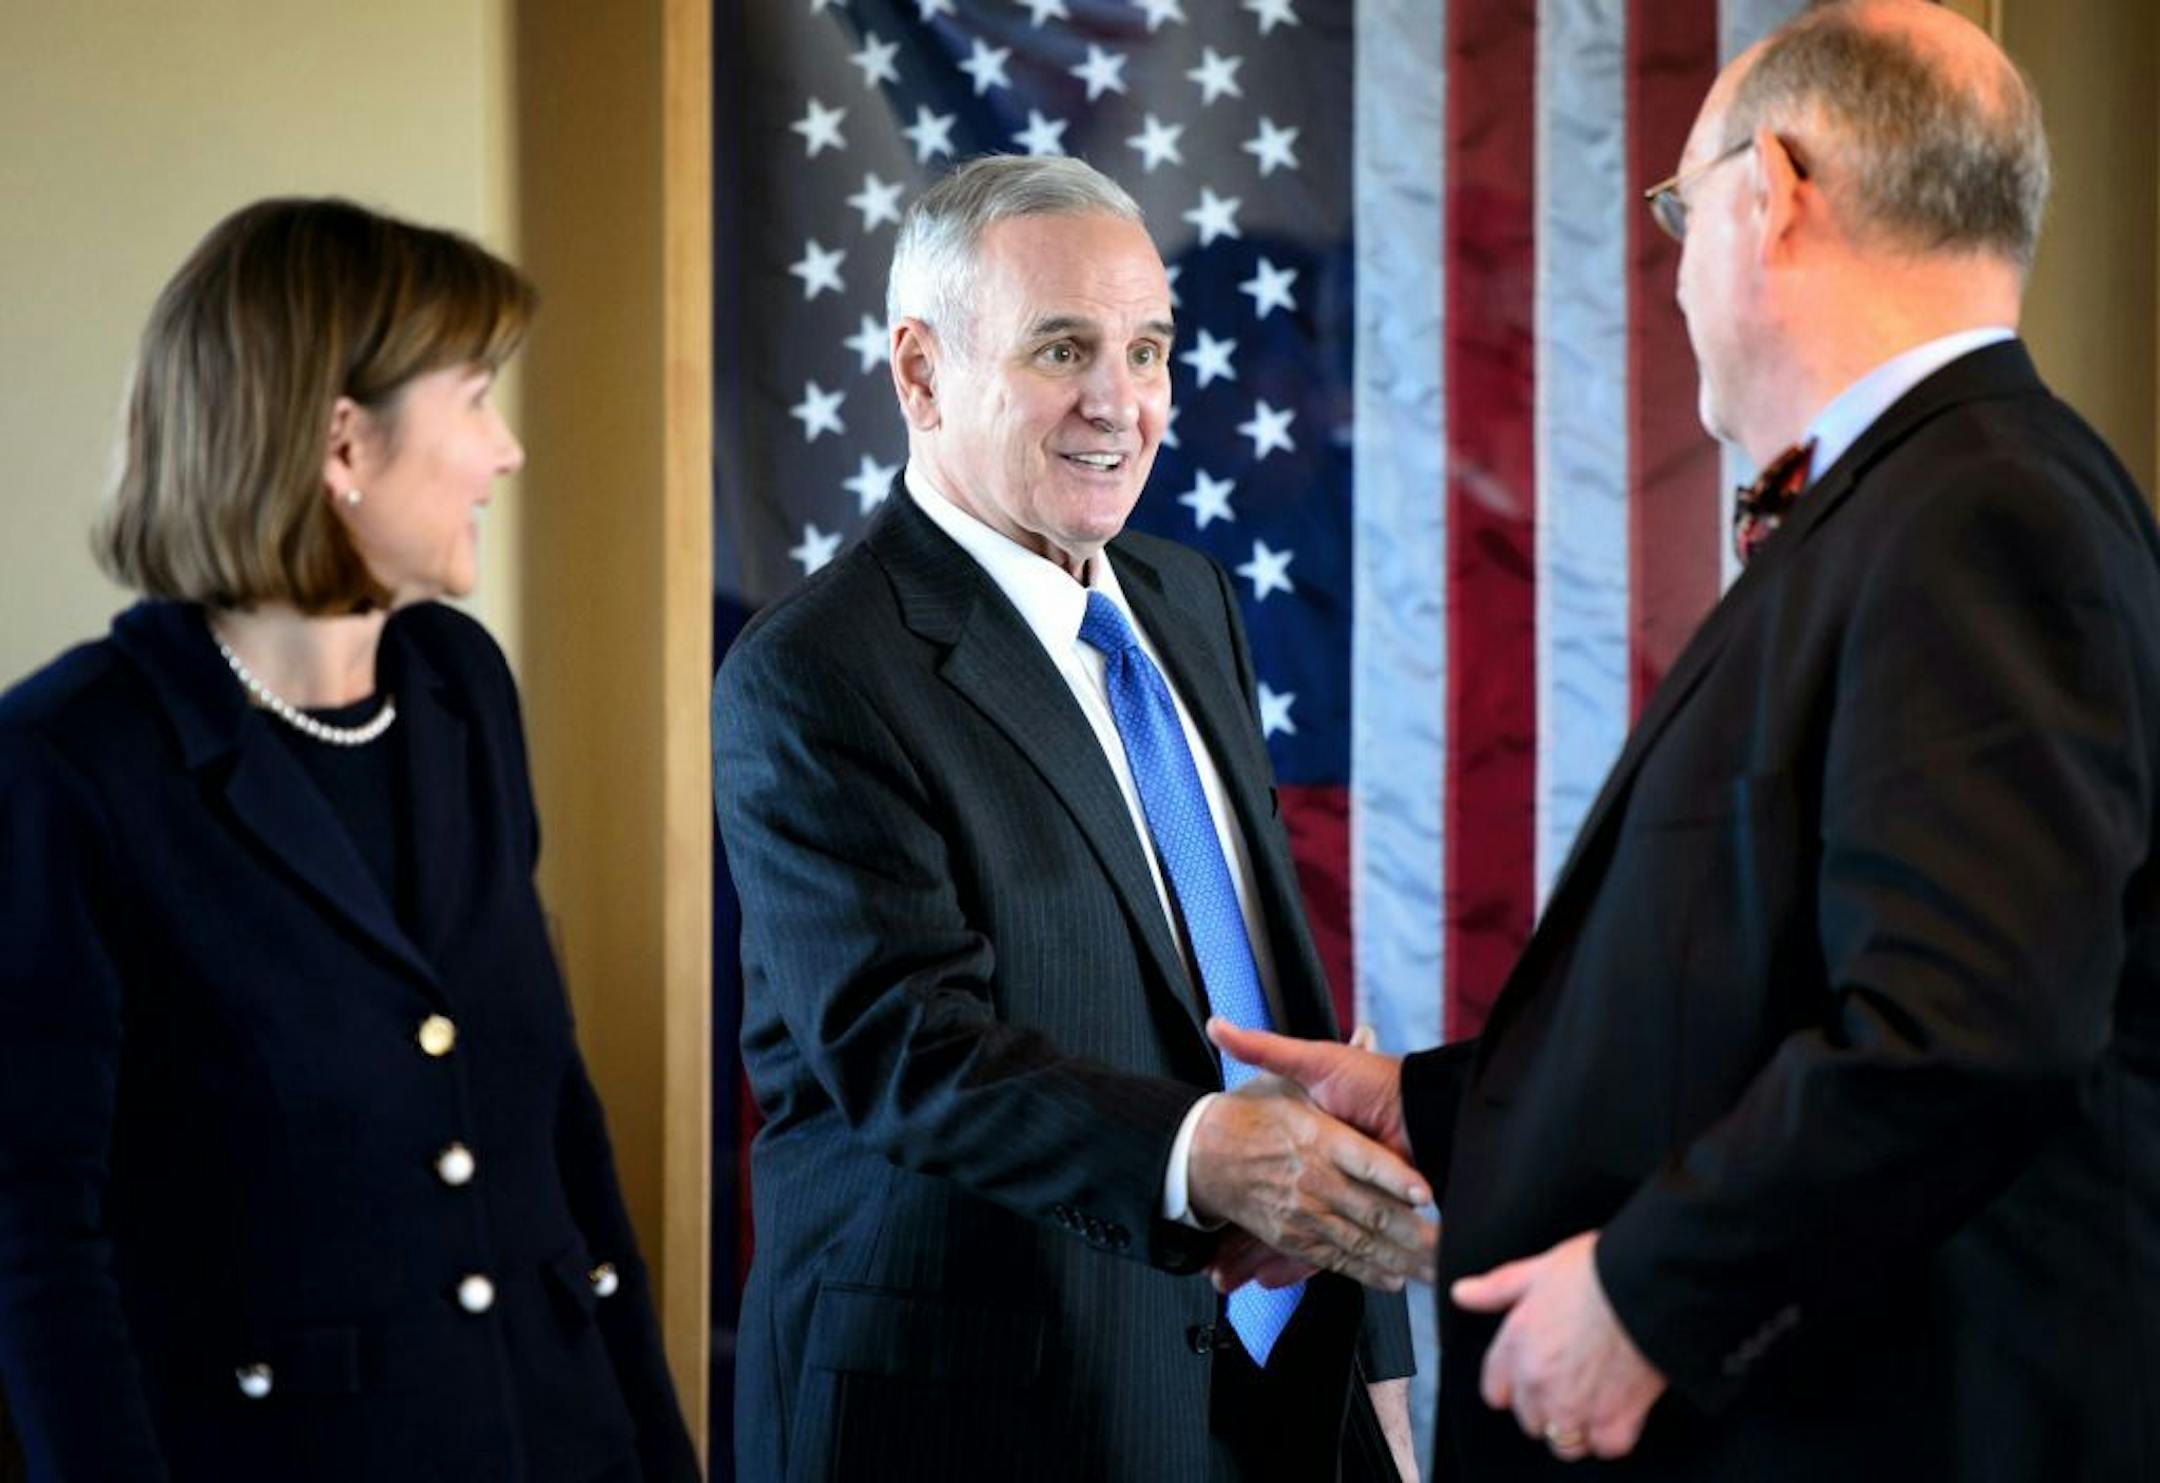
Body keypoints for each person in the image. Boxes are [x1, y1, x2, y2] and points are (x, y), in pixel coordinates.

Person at [1211, 2, 2160, 1478]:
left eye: (1679, 206)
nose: (1670, 266)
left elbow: (1966, 1025)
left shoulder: (1979, 511)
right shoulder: (1923, 499)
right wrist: (1436, 1104)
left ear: (1771, 196)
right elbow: (1752, 982)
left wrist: (1652, 1294)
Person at [714, 155, 1433, 1482]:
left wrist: (1371, 1332)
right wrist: (1200, 1154)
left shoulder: (1187, 598)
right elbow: (906, 1049)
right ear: (920, 374)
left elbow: (1265, 983)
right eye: (1062, 348)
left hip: (1276, 1380)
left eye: (1149, 348)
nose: (1125, 402)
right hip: (987, 1411)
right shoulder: (815, 668)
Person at [0, 199, 698, 1482]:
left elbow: (553, 1118)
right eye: (476, 398)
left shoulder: (459, 685)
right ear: (341, 444)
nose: (508, 450)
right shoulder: (67, 762)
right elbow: (41, 1242)